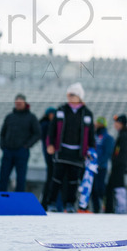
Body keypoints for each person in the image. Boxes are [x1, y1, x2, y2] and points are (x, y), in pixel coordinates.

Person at [46, 83, 96, 213]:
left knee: (73, 181)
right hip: (62, 150)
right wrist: (50, 144)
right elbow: (51, 129)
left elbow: (91, 134)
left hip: (77, 153)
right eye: (68, 94)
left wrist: (91, 149)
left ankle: (69, 204)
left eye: (72, 94)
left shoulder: (87, 113)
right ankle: (51, 203)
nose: (69, 97)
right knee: (56, 178)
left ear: (79, 96)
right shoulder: (61, 110)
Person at [0, 94, 40, 192]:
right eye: (17, 102)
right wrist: (3, 145)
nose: (18, 104)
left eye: (20, 102)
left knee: (21, 177)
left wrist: (27, 145)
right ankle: (0, 197)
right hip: (8, 151)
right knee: (3, 176)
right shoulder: (9, 117)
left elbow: (37, 134)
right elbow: (2, 133)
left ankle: (19, 198)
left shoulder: (31, 117)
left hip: (21, 151)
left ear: (25, 103)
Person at [104, 114, 127, 214]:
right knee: (113, 187)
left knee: (116, 187)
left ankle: (119, 209)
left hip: (119, 166)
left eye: (117, 122)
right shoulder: (122, 135)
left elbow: (122, 153)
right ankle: (115, 209)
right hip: (118, 166)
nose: (115, 124)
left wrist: (117, 163)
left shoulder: (124, 136)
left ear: (122, 124)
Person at [92, 116, 114, 213]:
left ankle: (106, 205)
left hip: (101, 167)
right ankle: (96, 209)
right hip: (92, 167)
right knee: (93, 189)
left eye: (98, 124)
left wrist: (99, 163)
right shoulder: (93, 136)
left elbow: (107, 153)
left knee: (100, 188)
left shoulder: (107, 138)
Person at [39, 107, 56, 208]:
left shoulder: (44, 124)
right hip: (50, 155)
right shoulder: (46, 125)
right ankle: (46, 202)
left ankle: (46, 202)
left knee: (51, 179)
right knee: (51, 179)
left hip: (49, 155)